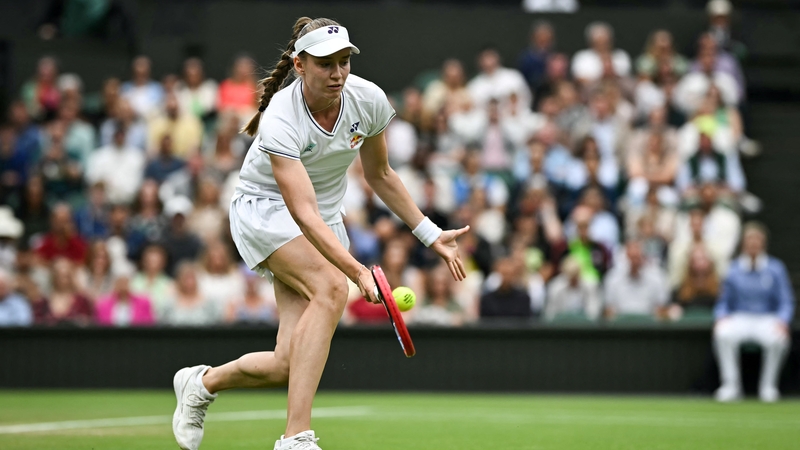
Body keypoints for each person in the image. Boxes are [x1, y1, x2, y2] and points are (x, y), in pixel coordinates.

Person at [171, 17, 469, 450]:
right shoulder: (281, 118)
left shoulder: (368, 100)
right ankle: (296, 437)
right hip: (267, 211)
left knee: (289, 363)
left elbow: (381, 173)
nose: (338, 73)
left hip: (324, 219)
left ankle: (201, 384)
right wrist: (356, 272)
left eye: (344, 61)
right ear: (299, 65)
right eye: (326, 63)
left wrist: (430, 233)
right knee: (331, 286)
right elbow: (303, 214)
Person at [713, 223, 795, 403]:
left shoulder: (776, 268)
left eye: (757, 241)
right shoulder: (733, 269)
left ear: (763, 243)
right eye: (749, 240)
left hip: (766, 318)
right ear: (743, 243)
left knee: (779, 338)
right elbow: (724, 302)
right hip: (740, 317)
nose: (753, 244)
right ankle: (731, 385)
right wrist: (721, 317)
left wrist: (783, 320)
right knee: (722, 333)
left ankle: (768, 386)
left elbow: (785, 302)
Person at [603, 239, 669, 319]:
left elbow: (662, 309)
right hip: (620, 328)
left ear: (643, 257)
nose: (634, 262)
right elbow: (608, 310)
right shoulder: (612, 278)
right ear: (625, 257)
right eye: (631, 257)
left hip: (649, 328)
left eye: (637, 257)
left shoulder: (657, 277)